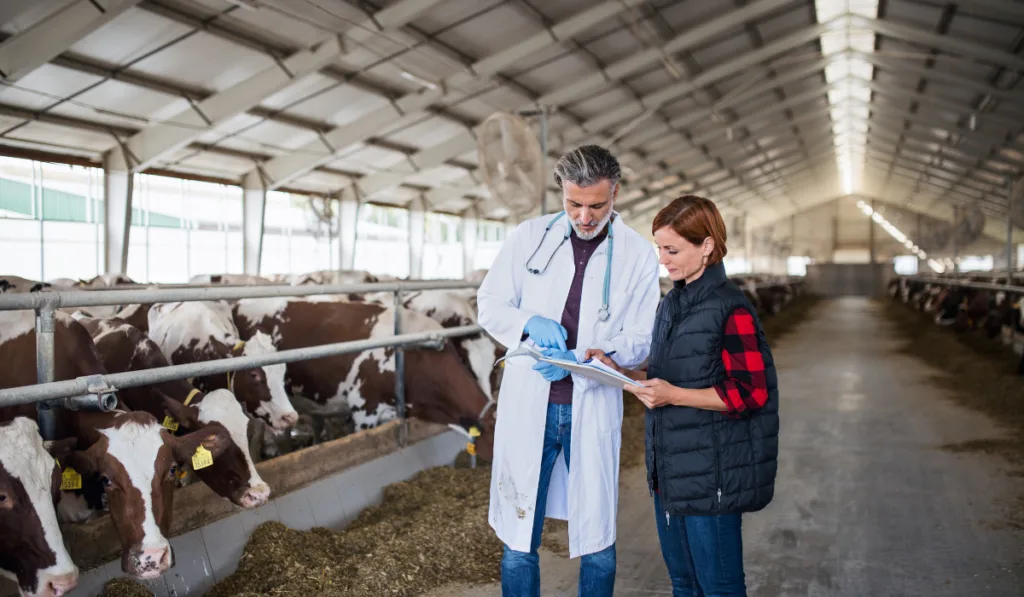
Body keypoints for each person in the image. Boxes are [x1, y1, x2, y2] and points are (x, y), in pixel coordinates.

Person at [477, 144, 661, 597]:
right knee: (519, 535)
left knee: (597, 536)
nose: (584, 216)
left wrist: (600, 353)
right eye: (573, 204)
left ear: (615, 193)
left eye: (596, 205)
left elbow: (642, 338)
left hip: (591, 402)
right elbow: (490, 304)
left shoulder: (637, 255)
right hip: (529, 405)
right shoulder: (529, 237)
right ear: (561, 192)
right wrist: (527, 323)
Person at [587, 195, 779, 597]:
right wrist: (619, 371)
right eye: (659, 248)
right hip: (670, 473)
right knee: (683, 585)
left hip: (713, 476)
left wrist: (674, 396)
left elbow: (750, 394)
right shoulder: (672, 304)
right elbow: (668, 376)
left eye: (672, 249)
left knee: (719, 587)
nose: (662, 259)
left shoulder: (731, 308)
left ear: (706, 245)